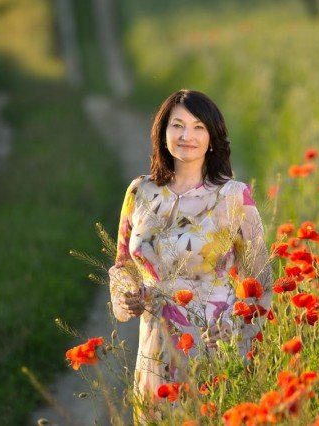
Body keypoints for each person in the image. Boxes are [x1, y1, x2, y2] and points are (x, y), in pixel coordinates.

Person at [108, 89, 273, 418]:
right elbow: (123, 266)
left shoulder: (233, 197)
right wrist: (126, 296)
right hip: (154, 346)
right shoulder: (140, 191)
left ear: (212, 138)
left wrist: (240, 338)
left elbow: (261, 281)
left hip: (213, 341)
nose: (187, 136)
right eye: (178, 125)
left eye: (199, 127)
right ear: (163, 132)